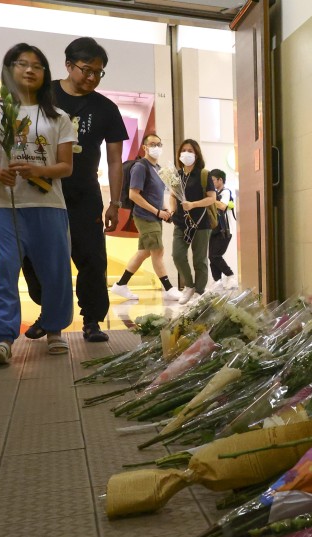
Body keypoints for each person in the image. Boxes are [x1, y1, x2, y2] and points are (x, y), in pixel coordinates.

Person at [0, 43, 76, 364]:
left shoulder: (58, 117)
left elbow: (66, 166)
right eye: (21, 63)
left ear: (45, 74)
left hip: (50, 207)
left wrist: (38, 170)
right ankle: (3, 339)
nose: (29, 69)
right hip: (7, 206)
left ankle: (56, 330)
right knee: (5, 269)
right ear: (9, 70)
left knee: (56, 270)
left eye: (37, 65)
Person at [23, 37, 128, 343]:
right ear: (68, 65)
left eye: (99, 72)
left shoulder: (106, 108)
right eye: (86, 70)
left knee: (92, 258)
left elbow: (115, 160)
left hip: (84, 194)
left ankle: (92, 320)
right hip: (42, 190)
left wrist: (115, 203)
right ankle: (49, 313)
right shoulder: (43, 95)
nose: (92, 77)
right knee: (37, 255)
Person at [108, 133, 180, 303]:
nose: (156, 147)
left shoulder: (158, 168)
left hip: (154, 216)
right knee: (158, 251)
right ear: (145, 147)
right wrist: (156, 212)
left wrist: (164, 210)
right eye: (152, 144)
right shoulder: (141, 167)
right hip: (145, 216)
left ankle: (121, 284)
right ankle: (169, 289)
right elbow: (134, 195)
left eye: (159, 144)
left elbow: (157, 195)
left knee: (145, 252)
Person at [169, 139, 216, 304]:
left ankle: (200, 291)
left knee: (200, 259)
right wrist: (173, 210)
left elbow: (212, 198)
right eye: (184, 150)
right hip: (181, 223)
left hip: (201, 223)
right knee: (178, 255)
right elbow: (173, 195)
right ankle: (189, 285)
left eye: (190, 150)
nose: (186, 153)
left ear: (196, 154)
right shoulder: (177, 175)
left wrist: (193, 204)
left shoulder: (204, 174)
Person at [207, 168, 237, 291]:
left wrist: (209, 199)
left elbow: (223, 206)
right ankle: (217, 281)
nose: (211, 182)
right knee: (211, 256)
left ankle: (230, 276)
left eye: (213, 180)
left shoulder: (226, 192)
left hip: (225, 230)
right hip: (214, 229)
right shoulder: (215, 193)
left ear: (220, 180)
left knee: (216, 255)